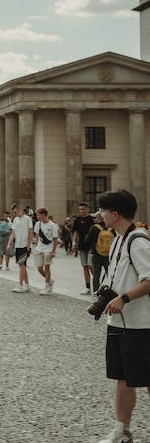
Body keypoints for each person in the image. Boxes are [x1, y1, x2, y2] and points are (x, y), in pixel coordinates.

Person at [95, 190, 150, 443]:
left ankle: (123, 430)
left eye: (103, 211)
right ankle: (123, 431)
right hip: (118, 321)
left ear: (115, 214)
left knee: (146, 379)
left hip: (140, 324)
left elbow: (149, 280)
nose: (100, 215)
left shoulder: (138, 240)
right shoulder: (117, 238)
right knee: (123, 378)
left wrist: (123, 298)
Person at [7, 203, 34, 293]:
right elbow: (13, 233)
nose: (14, 214)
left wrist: (29, 245)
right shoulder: (15, 220)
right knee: (22, 265)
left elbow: (31, 232)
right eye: (13, 213)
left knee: (21, 264)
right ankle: (27, 285)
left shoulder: (27, 219)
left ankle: (20, 284)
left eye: (15, 212)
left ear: (19, 210)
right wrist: (9, 244)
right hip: (17, 245)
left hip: (25, 245)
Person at [31, 208, 59, 295]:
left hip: (48, 249)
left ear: (44, 214)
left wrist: (53, 251)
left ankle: (47, 286)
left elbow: (55, 239)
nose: (37, 216)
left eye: (38, 214)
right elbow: (37, 236)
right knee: (39, 268)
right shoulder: (37, 224)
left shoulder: (52, 225)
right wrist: (35, 247)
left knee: (47, 268)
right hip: (39, 249)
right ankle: (50, 280)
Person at [72, 202, 96, 295]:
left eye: (83, 209)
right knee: (85, 267)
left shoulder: (92, 219)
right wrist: (74, 243)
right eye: (80, 209)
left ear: (87, 209)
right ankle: (88, 287)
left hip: (91, 245)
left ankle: (98, 282)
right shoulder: (78, 219)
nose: (82, 211)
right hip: (81, 246)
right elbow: (75, 232)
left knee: (90, 265)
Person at [90, 212, 114, 294]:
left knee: (96, 275)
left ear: (99, 219)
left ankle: (96, 292)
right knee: (110, 274)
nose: (94, 219)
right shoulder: (111, 228)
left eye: (95, 218)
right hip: (108, 255)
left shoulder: (94, 228)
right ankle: (111, 291)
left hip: (96, 254)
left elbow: (87, 240)